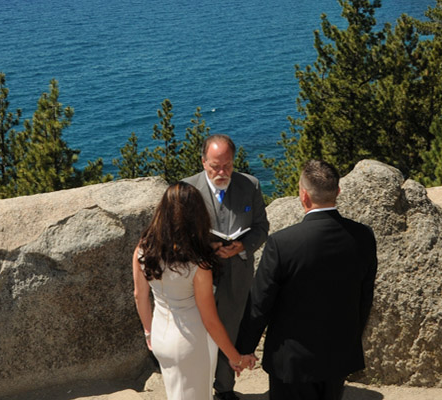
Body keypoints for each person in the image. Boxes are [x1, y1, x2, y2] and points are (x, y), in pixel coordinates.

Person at [235, 160, 378, 400]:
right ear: (338, 192)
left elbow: (260, 304)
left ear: (304, 196)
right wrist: (351, 338)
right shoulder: (363, 236)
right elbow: (365, 297)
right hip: (338, 354)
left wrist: (244, 349)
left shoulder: (282, 243)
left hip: (291, 360)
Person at [132, 182, 253, 400]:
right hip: (191, 342)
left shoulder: (143, 248)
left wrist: (149, 333)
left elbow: (139, 296)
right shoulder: (197, 265)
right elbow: (210, 320)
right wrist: (235, 357)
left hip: (160, 335)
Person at [182, 134, 269, 400]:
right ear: (203, 161)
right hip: (199, 274)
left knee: (230, 328)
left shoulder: (250, 185)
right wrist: (206, 249)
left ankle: (225, 388)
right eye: (215, 166)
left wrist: (242, 246)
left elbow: (261, 227)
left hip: (237, 273)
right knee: (197, 330)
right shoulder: (187, 189)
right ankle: (197, 386)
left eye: (227, 166)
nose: (222, 172)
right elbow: (179, 233)